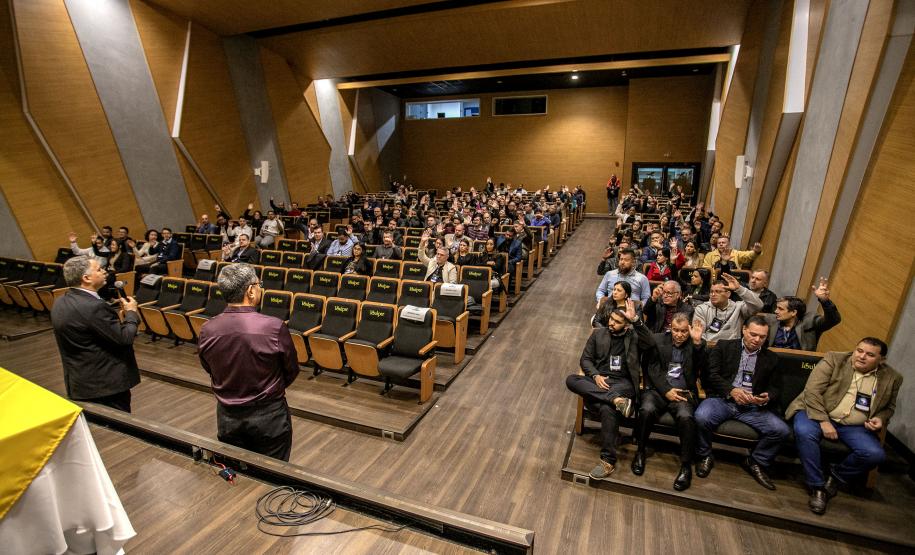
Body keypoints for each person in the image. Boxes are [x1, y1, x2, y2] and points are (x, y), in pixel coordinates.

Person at [786, 338, 902, 514]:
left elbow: (889, 408)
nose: (862, 357)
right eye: (859, 351)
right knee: (804, 432)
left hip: (854, 426)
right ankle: (817, 487)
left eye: (870, 355)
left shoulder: (892, 378)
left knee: (875, 455)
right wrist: (824, 421)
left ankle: (835, 477)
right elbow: (812, 391)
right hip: (816, 413)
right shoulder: (835, 359)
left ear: (882, 360)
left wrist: (880, 418)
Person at [197, 264, 300, 461]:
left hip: (227, 416)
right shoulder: (274, 327)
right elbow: (291, 370)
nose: (260, 288)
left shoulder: (207, 328)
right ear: (251, 291)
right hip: (269, 417)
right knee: (274, 476)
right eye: (258, 284)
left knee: (238, 474)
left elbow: (209, 367)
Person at [694, 315, 790, 490]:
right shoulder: (724, 346)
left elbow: (776, 388)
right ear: (744, 330)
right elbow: (710, 375)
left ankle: (756, 461)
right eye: (753, 334)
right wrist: (731, 390)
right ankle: (704, 455)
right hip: (723, 399)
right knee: (701, 417)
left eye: (762, 337)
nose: (757, 339)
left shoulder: (771, 358)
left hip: (752, 406)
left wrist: (767, 396)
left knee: (781, 430)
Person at [566, 301, 654, 480]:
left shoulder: (634, 336)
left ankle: (607, 461)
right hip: (599, 382)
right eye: (611, 319)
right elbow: (585, 360)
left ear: (627, 325)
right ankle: (616, 401)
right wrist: (596, 375)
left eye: (617, 321)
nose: (611, 323)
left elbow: (651, 343)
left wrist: (636, 320)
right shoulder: (598, 335)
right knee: (572, 380)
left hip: (623, 383)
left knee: (606, 408)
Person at [50, 256, 140, 412]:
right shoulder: (94, 307)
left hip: (80, 382)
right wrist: (131, 313)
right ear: (86, 278)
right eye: (99, 269)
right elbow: (125, 338)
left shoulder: (60, 301)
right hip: (106, 386)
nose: (104, 271)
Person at [635, 315, 706, 490]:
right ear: (670, 328)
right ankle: (640, 451)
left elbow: (703, 368)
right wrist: (666, 391)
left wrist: (697, 344)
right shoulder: (658, 340)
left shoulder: (696, 344)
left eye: (683, 331)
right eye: (676, 330)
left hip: (683, 392)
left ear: (688, 329)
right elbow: (652, 368)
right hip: (660, 390)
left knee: (686, 417)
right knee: (646, 409)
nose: (680, 335)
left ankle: (685, 465)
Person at [763, 277, 841, 351]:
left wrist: (825, 301)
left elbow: (834, 320)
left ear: (793, 312)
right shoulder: (770, 320)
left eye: (780, 309)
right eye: (777, 308)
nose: (776, 311)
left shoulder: (810, 321)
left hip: (799, 362)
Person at [693, 273, 763, 342]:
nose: (713, 294)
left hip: (731, 349)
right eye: (711, 292)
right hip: (710, 347)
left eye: (718, 291)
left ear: (728, 294)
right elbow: (699, 335)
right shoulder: (701, 309)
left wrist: (739, 289)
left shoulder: (738, 307)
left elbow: (758, 305)